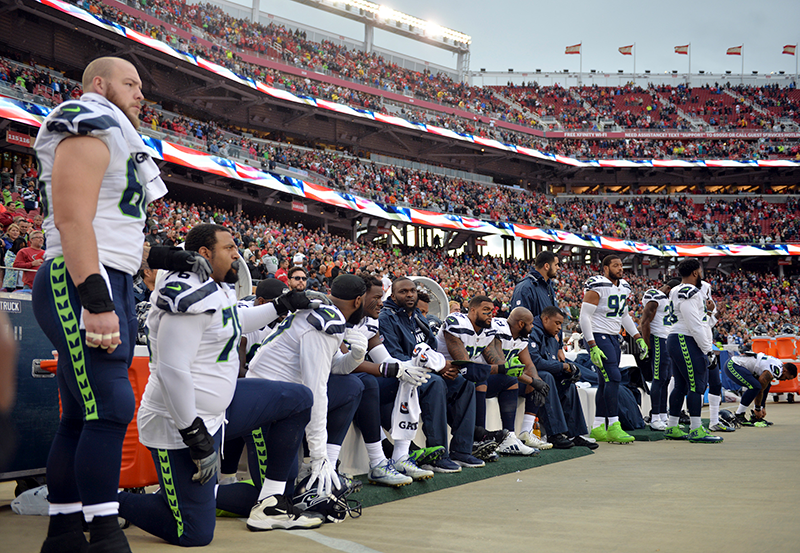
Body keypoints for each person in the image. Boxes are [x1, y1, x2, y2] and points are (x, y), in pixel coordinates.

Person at [29, 56, 168, 553]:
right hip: (83, 277)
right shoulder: (86, 118)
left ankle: (65, 531)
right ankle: (104, 530)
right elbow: (72, 217)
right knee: (111, 405)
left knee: (81, 415)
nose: (140, 94)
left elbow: (115, 221)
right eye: (130, 83)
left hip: (111, 276)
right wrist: (95, 296)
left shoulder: (118, 135)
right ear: (99, 84)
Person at [118, 224, 323, 545]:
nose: (236, 254)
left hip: (221, 408)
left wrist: (282, 305)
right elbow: (173, 372)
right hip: (182, 423)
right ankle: (105, 501)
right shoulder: (185, 293)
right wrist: (195, 435)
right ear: (204, 254)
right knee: (193, 534)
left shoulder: (214, 285)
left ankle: (270, 502)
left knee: (297, 398)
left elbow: (232, 321)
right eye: (228, 248)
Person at [246, 274, 369, 502]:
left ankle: (329, 464)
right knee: (275, 495)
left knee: (353, 385)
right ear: (358, 301)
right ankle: (202, 495)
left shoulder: (327, 312)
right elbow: (316, 389)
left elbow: (335, 368)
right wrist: (317, 455)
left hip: (287, 400)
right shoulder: (324, 322)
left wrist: (355, 356)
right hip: (264, 403)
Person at [379, 277, 475, 473]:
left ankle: (462, 450)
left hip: (427, 370)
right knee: (435, 383)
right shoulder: (386, 317)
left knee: (465, 384)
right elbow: (394, 356)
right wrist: (435, 367)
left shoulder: (417, 315)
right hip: (402, 375)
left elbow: (432, 347)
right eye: (403, 291)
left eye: (412, 290)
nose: (409, 294)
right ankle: (438, 456)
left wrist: (442, 365)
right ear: (393, 295)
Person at [440, 296, 536, 457]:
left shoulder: (489, 330)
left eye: (491, 311)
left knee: (508, 380)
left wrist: (509, 371)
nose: (490, 315)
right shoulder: (456, 322)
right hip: (445, 374)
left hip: (464, 377)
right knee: (478, 378)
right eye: (485, 311)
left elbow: (495, 362)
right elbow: (466, 365)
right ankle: (479, 439)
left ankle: (509, 437)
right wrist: (502, 369)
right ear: (472, 310)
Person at [579, 254, 648, 445]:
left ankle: (599, 425)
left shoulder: (624, 286)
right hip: (598, 336)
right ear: (605, 268)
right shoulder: (598, 285)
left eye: (621, 265)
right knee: (614, 377)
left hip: (612, 336)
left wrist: (637, 336)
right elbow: (584, 317)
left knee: (604, 381)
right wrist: (591, 344)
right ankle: (613, 425)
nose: (620, 268)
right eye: (615, 265)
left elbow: (624, 315)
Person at [664, 259, 721, 444]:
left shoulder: (674, 290)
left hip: (677, 338)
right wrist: (708, 350)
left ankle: (672, 425)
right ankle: (696, 428)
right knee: (697, 384)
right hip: (685, 338)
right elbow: (694, 324)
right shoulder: (690, 292)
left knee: (681, 385)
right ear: (696, 273)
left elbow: (699, 321)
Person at [528, 306, 597, 450]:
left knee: (568, 383)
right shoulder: (533, 331)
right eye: (557, 323)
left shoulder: (553, 337)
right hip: (526, 377)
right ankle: (554, 433)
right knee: (546, 376)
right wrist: (563, 367)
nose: (559, 327)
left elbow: (554, 363)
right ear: (545, 319)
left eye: (561, 324)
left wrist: (568, 371)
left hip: (545, 377)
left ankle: (574, 434)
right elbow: (535, 362)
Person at [491, 307, 557, 451]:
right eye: (531, 323)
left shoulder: (520, 336)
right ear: (521, 324)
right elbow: (502, 367)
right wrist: (532, 381)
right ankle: (508, 436)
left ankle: (525, 433)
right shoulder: (500, 331)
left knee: (538, 379)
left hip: (500, 379)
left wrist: (537, 380)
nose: (533, 326)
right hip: (486, 377)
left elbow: (529, 365)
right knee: (512, 379)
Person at [639, 278, 680, 431]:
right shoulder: (654, 295)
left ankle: (663, 414)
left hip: (667, 339)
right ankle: (655, 416)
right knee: (658, 378)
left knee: (666, 379)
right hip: (657, 339)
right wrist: (647, 346)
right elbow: (645, 321)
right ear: (668, 288)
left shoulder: (667, 299)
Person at [723, 353, 797, 427]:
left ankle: (755, 417)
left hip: (741, 366)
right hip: (734, 365)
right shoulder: (775, 370)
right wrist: (758, 409)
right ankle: (739, 415)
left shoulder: (779, 365)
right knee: (755, 387)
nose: (784, 380)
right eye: (786, 378)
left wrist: (762, 407)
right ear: (784, 371)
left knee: (766, 385)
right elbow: (760, 389)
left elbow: (765, 387)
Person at [511, 250, 560, 319]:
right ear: (546, 266)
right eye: (556, 265)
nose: (558, 268)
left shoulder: (548, 286)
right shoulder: (525, 287)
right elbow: (520, 322)